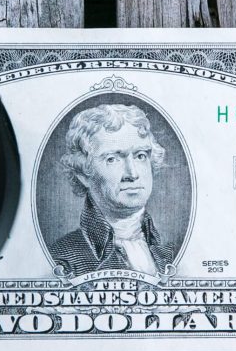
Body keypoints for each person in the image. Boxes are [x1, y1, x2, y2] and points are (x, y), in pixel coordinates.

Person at [50, 103, 177, 276]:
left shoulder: (171, 253)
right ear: (83, 174)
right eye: (112, 159)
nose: (132, 174)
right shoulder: (62, 258)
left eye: (140, 156)